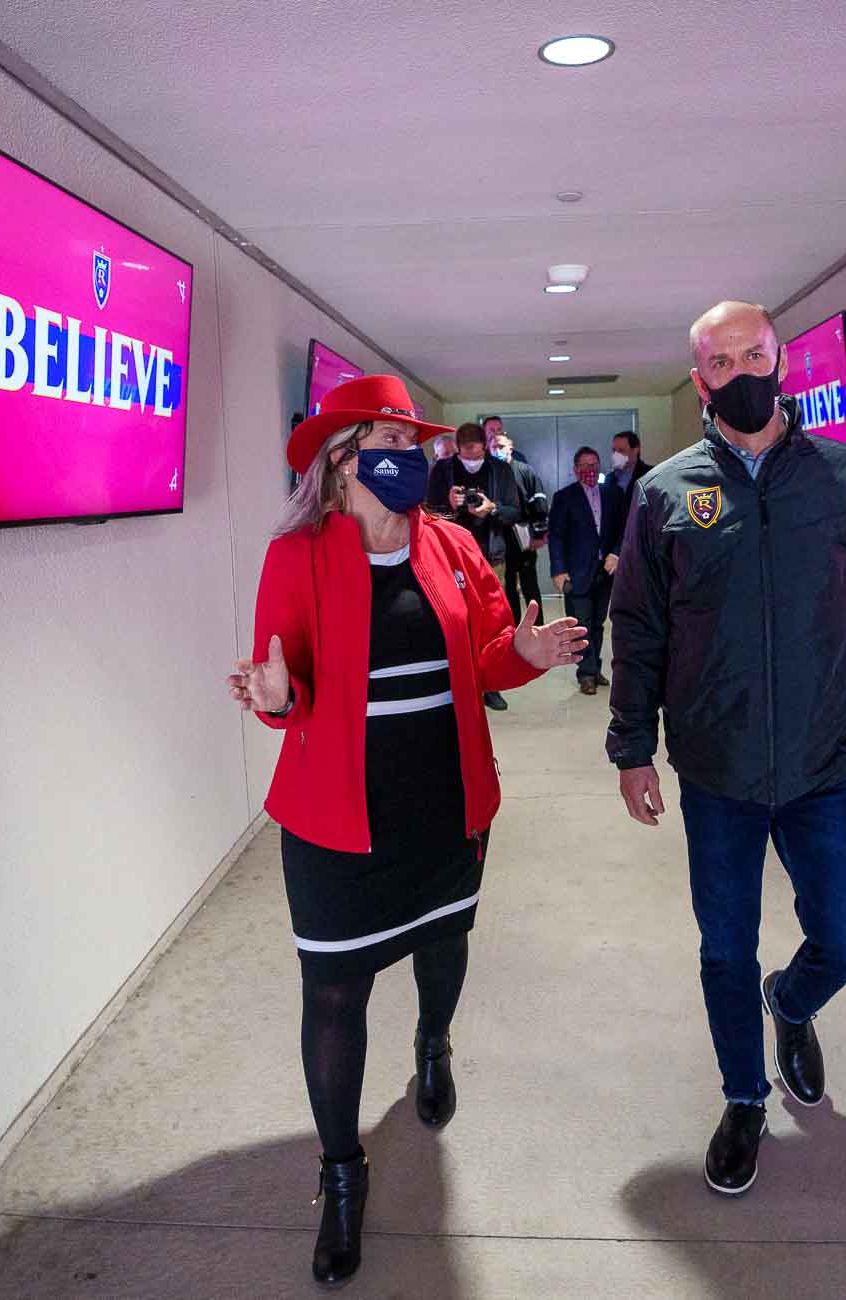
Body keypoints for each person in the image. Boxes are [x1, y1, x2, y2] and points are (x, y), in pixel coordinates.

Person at [227, 375, 585, 1283]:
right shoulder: (296, 558)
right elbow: (285, 682)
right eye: (383, 443)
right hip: (335, 824)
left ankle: (434, 1044)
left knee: (443, 945)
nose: (405, 458)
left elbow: (491, 651)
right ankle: (341, 1178)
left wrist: (530, 657)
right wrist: (277, 699)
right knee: (334, 994)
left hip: (445, 807)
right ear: (339, 468)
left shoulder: (454, 546)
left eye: (410, 443)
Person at [605, 302, 846, 1197]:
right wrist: (632, 746)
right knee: (724, 948)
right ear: (700, 377)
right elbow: (636, 629)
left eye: (755, 352)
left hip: (823, 766)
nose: (742, 369)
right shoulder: (665, 493)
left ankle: (790, 1005)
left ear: (781, 358)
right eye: (721, 359)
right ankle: (743, 1098)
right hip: (716, 770)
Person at [425, 422, 525, 710]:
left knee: (492, 621)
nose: (470, 458)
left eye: (475, 452)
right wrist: (448, 505)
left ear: (484, 446)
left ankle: (490, 683)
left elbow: (514, 511)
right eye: (465, 453)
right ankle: (460, 682)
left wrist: (491, 509)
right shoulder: (443, 471)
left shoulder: (501, 470)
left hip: (491, 555)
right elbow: (427, 514)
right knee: (455, 620)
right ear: (457, 447)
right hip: (450, 557)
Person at [546, 446, 625, 695]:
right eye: (584, 465)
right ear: (575, 469)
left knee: (599, 624)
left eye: (594, 464)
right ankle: (586, 674)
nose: (590, 469)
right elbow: (556, 537)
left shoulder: (613, 493)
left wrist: (615, 553)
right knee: (581, 624)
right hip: (576, 572)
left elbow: (624, 529)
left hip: (606, 570)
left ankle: (595, 667)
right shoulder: (564, 497)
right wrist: (558, 571)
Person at [484, 417, 550, 626]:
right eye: (494, 447)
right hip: (498, 539)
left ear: (511, 448)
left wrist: (539, 534)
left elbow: (539, 502)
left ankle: (537, 626)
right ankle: (511, 630)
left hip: (524, 537)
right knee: (507, 587)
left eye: (501, 446)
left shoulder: (524, 470)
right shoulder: (487, 472)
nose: (498, 450)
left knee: (530, 585)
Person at [608, 430, 654, 495]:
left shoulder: (649, 475)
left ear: (635, 450)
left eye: (621, 450)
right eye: (614, 451)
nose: (616, 455)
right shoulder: (610, 478)